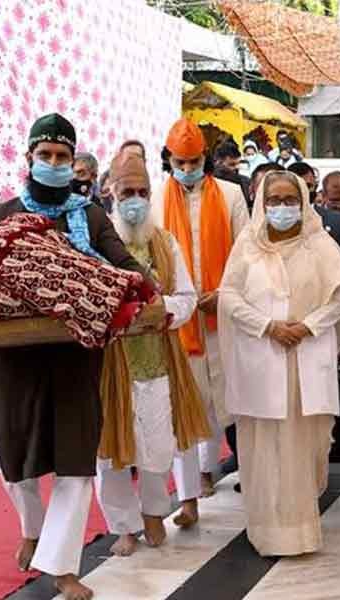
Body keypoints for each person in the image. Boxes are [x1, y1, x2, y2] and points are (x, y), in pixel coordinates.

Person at [0, 113, 153, 600]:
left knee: (74, 462)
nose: (53, 164)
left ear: (73, 164)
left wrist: (134, 289)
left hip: (75, 356)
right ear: (29, 158)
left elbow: (127, 267)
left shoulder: (89, 216)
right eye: (44, 155)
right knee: (15, 460)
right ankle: (33, 527)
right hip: (13, 360)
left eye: (62, 157)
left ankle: (62, 566)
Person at [218, 170, 340, 556]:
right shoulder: (247, 245)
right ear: (261, 204)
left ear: (303, 201)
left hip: (305, 362)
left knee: (304, 447)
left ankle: (300, 532)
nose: (282, 208)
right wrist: (267, 326)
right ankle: (265, 531)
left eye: (289, 200)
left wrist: (307, 327)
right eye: (274, 201)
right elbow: (228, 297)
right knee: (262, 448)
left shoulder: (319, 244)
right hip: (261, 362)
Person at [94, 151, 210, 556]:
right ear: (110, 192)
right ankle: (123, 527)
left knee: (158, 443)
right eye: (128, 191)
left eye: (143, 191)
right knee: (109, 451)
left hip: (159, 358)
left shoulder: (165, 242)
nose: (136, 199)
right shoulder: (94, 241)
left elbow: (188, 297)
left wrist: (164, 312)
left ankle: (154, 514)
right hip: (110, 363)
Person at [151, 118, 249, 524]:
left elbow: (246, 255)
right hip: (179, 320)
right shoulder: (156, 200)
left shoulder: (230, 195)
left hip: (224, 318)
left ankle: (245, 478)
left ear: (205, 159)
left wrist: (223, 296)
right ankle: (189, 498)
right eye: (180, 161)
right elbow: (153, 263)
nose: (187, 168)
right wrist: (180, 302)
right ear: (169, 160)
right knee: (185, 410)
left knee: (235, 405)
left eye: (194, 161)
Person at [286, 162, 340, 250]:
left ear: (315, 185)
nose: (304, 191)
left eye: (308, 186)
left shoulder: (336, 222)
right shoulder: (276, 222)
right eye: (299, 186)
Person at [213, 139, 251, 208]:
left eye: (238, 164)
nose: (236, 168)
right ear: (218, 162)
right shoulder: (207, 184)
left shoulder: (246, 182)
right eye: (232, 165)